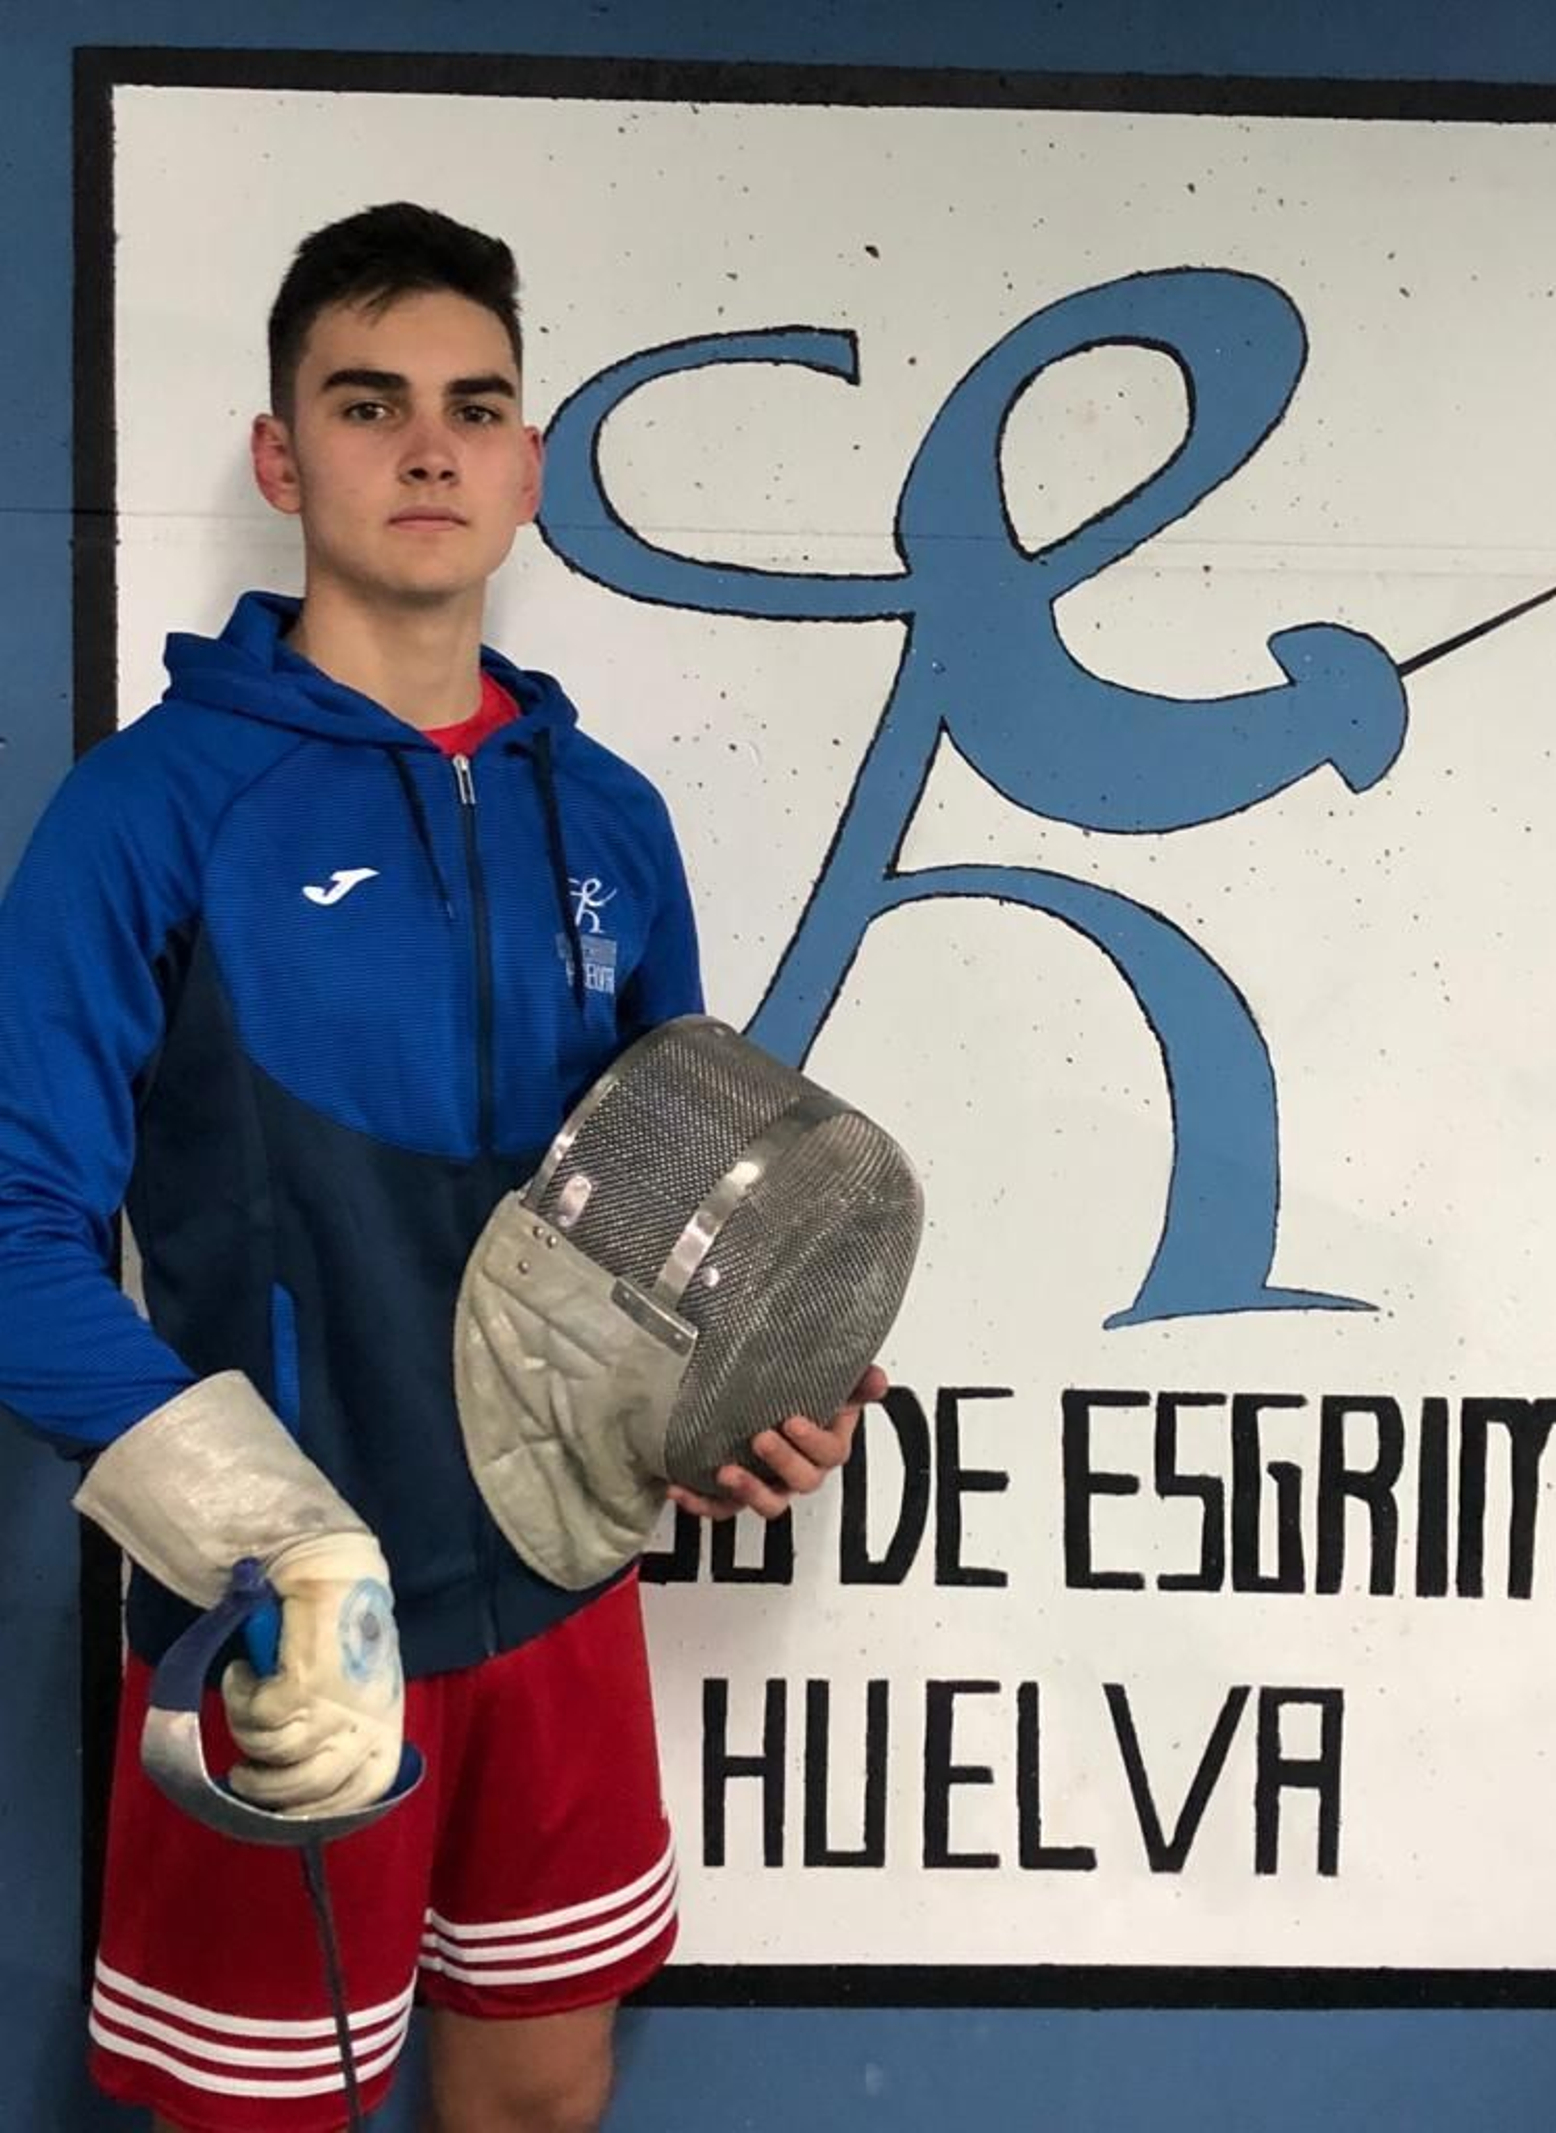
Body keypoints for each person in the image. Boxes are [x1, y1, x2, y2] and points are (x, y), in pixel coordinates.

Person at [0, 201, 880, 2133]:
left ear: (528, 465)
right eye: (369, 400)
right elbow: (13, 1237)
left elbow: (667, 1258)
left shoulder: (613, 820)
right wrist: (276, 1540)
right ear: (278, 454)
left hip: (560, 1603)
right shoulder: (150, 810)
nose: (426, 446)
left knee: (543, 2095)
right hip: (289, 1623)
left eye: (474, 407)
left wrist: (742, 1413)